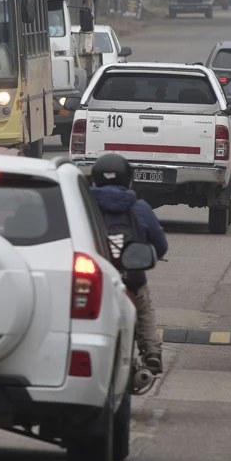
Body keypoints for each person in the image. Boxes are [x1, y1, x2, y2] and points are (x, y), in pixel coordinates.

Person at [89, 153, 169, 373]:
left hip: (94, 280)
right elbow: (161, 245)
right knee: (144, 309)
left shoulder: (85, 205)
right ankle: (152, 352)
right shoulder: (140, 207)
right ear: (128, 179)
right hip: (131, 279)